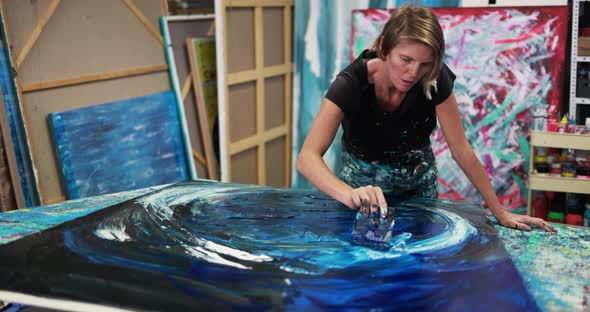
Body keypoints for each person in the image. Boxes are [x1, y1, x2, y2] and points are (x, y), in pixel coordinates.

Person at [296, 5, 556, 232]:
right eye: (406, 59)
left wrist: (499, 211)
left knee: (420, 270)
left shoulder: (433, 79)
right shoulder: (350, 83)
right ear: (384, 46)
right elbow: (307, 158)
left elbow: (461, 149)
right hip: (363, 194)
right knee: (366, 272)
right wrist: (350, 194)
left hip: (419, 192)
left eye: (425, 64)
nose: (413, 73)